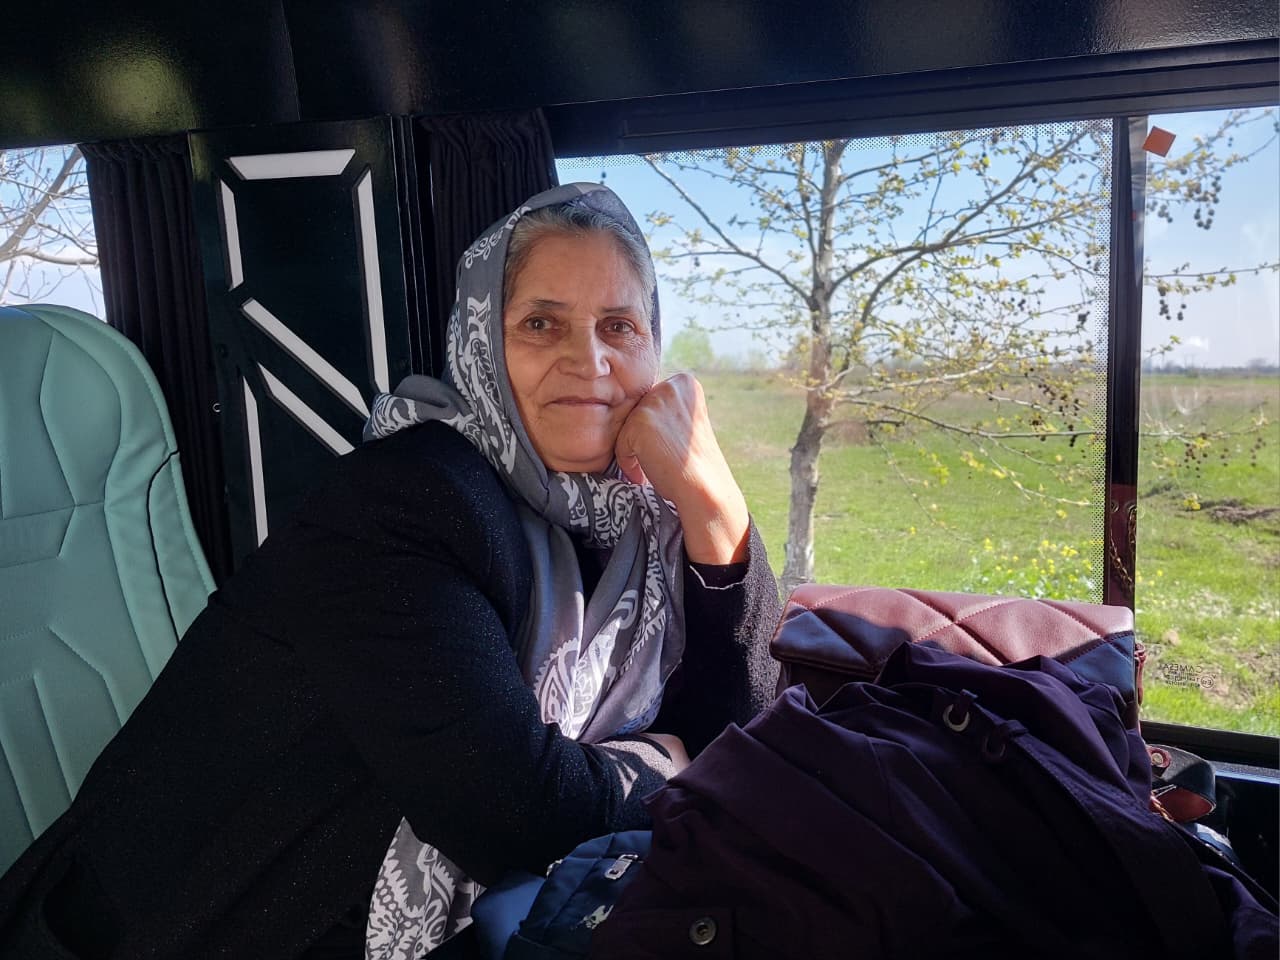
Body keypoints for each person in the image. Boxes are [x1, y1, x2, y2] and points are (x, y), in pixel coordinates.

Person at [0, 183, 782, 959]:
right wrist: (665, 760)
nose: (590, 359)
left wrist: (713, 507)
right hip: (211, 921)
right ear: (481, 342)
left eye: (619, 325)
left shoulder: (640, 526)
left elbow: (744, 729)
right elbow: (515, 809)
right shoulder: (405, 499)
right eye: (541, 324)